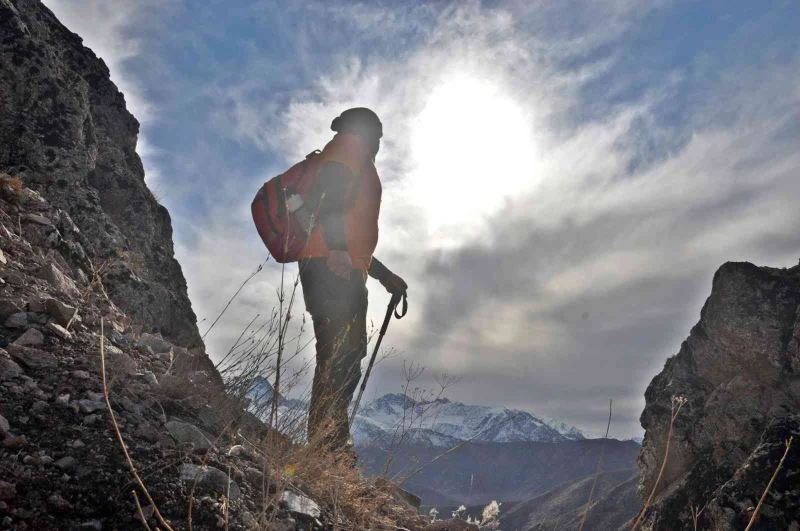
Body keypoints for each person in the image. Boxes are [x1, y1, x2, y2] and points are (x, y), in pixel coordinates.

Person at [299, 108, 407, 454]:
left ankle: (327, 442)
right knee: (340, 357)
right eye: (377, 133)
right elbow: (327, 200)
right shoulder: (349, 147)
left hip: (334, 267)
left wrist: (384, 276)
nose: (379, 140)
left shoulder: (351, 155)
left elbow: (348, 234)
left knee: (340, 355)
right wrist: (338, 249)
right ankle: (327, 448)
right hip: (332, 271)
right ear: (367, 131)